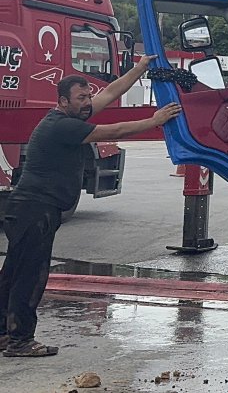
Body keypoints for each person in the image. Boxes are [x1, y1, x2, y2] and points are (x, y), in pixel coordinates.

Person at [0, 60, 181, 357]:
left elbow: (110, 92)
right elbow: (116, 130)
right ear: (62, 101)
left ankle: (4, 335)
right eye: (81, 99)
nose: (87, 103)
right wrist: (156, 120)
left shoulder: (70, 115)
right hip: (35, 210)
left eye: (88, 97)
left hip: (30, 209)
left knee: (13, 273)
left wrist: (140, 68)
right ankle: (20, 340)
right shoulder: (63, 126)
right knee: (30, 276)